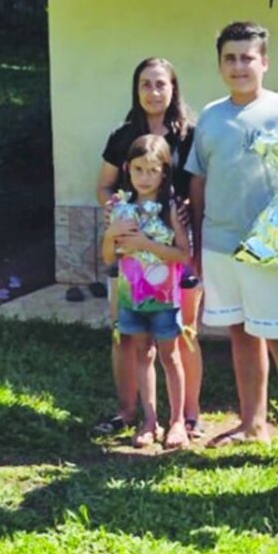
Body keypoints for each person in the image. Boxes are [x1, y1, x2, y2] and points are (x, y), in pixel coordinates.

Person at [187, 21, 278, 472]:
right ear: (219, 65)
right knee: (241, 333)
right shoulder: (210, 117)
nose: (239, 66)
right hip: (219, 244)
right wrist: (194, 242)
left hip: (272, 247)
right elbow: (198, 182)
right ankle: (254, 424)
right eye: (230, 58)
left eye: (247, 57)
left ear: (264, 62)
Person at [94, 57, 205, 440]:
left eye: (161, 84)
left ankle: (187, 416)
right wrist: (117, 215)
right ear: (136, 89)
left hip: (177, 249)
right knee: (127, 336)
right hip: (131, 259)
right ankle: (130, 411)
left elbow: (199, 186)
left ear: (173, 88)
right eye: (145, 84)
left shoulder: (190, 135)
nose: (153, 92)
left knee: (181, 333)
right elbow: (104, 186)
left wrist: (188, 215)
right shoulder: (123, 136)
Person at [101, 135, 191, 449]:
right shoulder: (122, 209)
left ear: (164, 172)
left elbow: (183, 255)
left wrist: (147, 245)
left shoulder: (171, 209)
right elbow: (109, 258)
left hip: (164, 299)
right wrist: (111, 235)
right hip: (131, 298)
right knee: (143, 354)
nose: (145, 177)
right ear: (127, 169)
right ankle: (149, 420)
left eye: (153, 170)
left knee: (171, 356)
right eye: (139, 169)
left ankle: (178, 421)